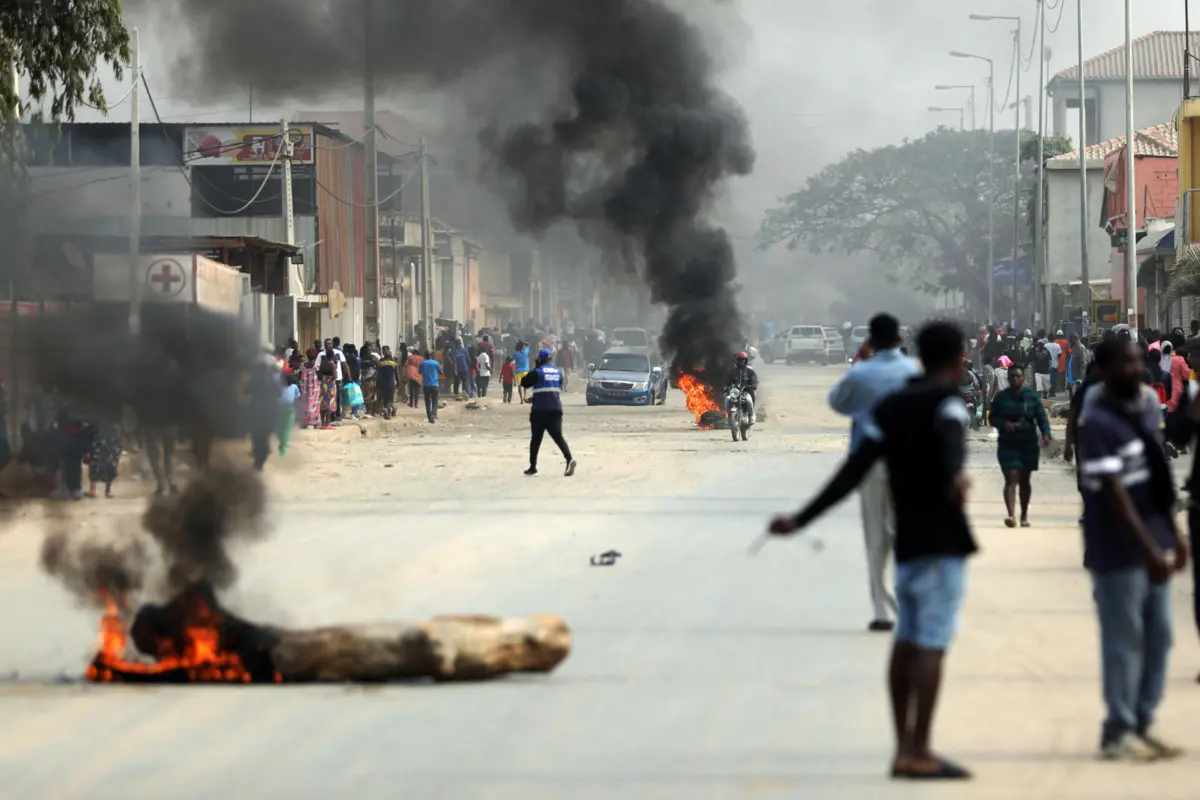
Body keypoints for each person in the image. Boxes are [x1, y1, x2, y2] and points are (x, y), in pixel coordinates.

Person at [768, 322, 975, 780]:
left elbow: (853, 468)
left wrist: (800, 519)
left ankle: (903, 747)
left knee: (905, 643)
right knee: (932, 648)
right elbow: (952, 436)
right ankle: (920, 748)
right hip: (940, 539)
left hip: (909, 546)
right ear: (958, 360)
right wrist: (953, 475)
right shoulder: (948, 403)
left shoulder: (892, 407)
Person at [1078, 338, 1187, 761]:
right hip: (1118, 549)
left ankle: (1144, 720)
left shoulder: (1141, 407)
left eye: (1137, 361)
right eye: (1125, 363)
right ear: (1103, 370)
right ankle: (1118, 729)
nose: (1136, 369)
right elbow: (1113, 492)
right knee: (1124, 640)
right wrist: (1147, 549)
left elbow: (1158, 476)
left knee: (1159, 635)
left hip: (1153, 540)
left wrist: (1174, 537)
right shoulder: (1096, 421)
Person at [827, 313, 920, 632]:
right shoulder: (912, 371)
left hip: (868, 463)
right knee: (901, 535)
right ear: (899, 340)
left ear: (871, 341)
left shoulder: (861, 373)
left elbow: (836, 402)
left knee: (874, 538)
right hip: (906, 463)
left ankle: (881, 611)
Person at [989, 365, 1052, 528]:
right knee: (1011, 477)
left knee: (1024, 480)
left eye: (1018, 376)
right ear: (1008, 379)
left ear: (1023, 378)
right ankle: (1011, 515)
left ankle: (1023, 514)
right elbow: (993, 417)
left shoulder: (1031, 397)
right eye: (1012, 377)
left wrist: (1046, 433)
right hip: (1007, 443)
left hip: (1028, 444)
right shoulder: (1001, 397)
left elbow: (1041, 417)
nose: (1015, 379)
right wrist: (1004, 424)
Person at [520, 348, 577, 477]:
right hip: (556, 410)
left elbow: (524, 383)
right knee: (558, 437)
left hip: (540, 411)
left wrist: (534, 368)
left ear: (539, 359)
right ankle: (569, 459)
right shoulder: (558, 372)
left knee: (536, 440)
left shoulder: (537, 372)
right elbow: (551, 389)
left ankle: (533, 468)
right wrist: (534, 398)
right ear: (550, 359)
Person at [85, 415, 121, 499]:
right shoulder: (94, 418)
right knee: (97, 465)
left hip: (106, 442)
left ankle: (105, 491)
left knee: (108, 466)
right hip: (98, 442)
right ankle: (95, 490)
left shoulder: (112, 421)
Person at [314, 339, 348, 421]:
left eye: (329, 344)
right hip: (325, 381)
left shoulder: (338, 353)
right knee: (326, 399)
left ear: (332, 344)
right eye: (326, 344)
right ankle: (329, 418)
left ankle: (337, 415)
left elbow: (345, 364)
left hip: (337, 379)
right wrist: (320, 377)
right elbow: (316, 367)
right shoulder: (321, 354)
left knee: (337, 398)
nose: (328, 345)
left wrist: (348, 376)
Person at [725, 351, 759, 425]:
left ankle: (751, 415)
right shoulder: (732, 372)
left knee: (748, 399)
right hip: (735, 392)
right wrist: (726, 387)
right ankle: (729, 416)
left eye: (743, 360)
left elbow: (754, 380)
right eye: (739, 360)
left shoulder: (750, 371)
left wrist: (753, 385)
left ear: (746, 361)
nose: (741, 362)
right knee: (727, 399)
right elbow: (727, 382)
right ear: (736, 361)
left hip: (746, 392)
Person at [278, 372, 300, 456]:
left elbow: (297, 399)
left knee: (286, 430)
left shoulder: (294, 387)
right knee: (280, 429)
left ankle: (283, 448)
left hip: (290, 410)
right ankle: (282, 442)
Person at [419, 350, 443, 423]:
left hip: (426, 385)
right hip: (435, 384)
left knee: (427, 402)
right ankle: (433, 414)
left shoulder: (422, 363)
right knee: (435, 402)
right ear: (431, 356)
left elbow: (419, 372)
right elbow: (441, 372)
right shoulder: (436, 363)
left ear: (424, 356)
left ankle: (430, 417)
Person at [377, 346, 398, 419]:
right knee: (390, 399)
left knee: (385, 398)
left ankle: (387, 414)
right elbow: (397, 375)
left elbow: (378, 375)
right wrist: (398, 383)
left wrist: (378, 384)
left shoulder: (381, 364)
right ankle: (387, 410)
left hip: (383, 384)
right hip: (391, 384)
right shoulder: (394, 364)